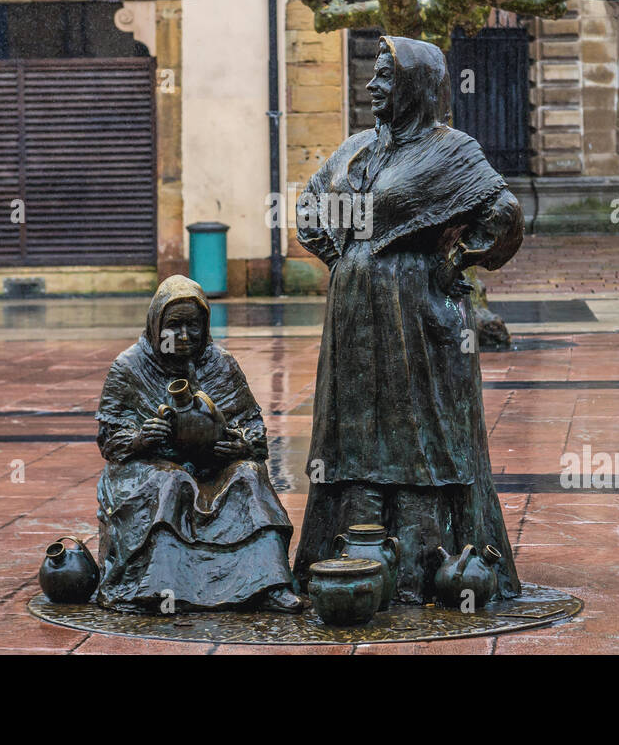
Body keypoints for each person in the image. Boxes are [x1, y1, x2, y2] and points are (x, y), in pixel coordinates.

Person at [292, 35, 524, 603]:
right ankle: (345, 551)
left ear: (416, 87)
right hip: (354, 315)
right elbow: (309, 204)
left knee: (423, 434)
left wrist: (455, 259)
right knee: (353, 434)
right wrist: (343, 258)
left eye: (386, 78)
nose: (374, 86)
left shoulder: (452, 151)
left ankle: (426, 566)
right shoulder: (353, 150)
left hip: (419, 316)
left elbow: (504, 216)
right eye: (374, 76)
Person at [94, 275, 305, 613]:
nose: (184, 335)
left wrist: (242, 446)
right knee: (172, 482)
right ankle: (157, 588)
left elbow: (252, 424)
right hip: (150, 468)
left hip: (212, 467)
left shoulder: (220, 363)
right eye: (174, 326)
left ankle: (267, 584)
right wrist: (139, 439)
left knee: (249, 475)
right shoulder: (129, 367)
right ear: (156, 324)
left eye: (193, 325)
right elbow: (109, 440)